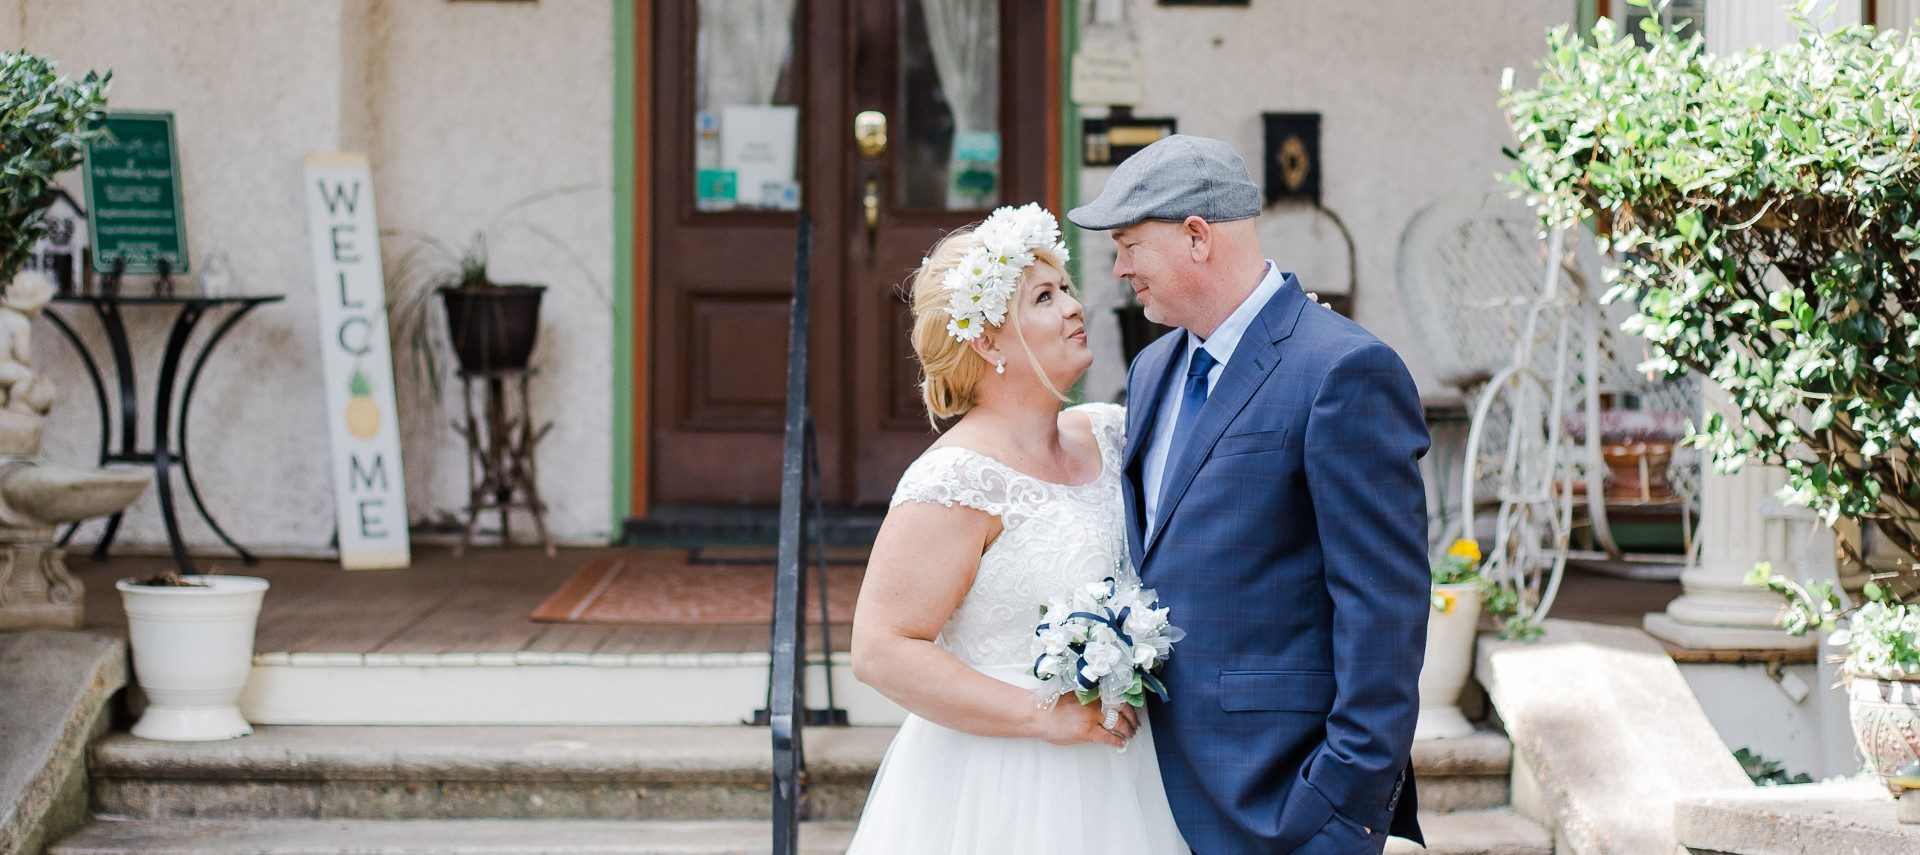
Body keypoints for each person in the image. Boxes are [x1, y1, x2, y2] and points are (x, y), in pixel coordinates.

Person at [1067, 134, 1430, 855]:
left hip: (1285, 804)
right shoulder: (1150, 370)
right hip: (1154, 790)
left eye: (1131, 244)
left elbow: (1384, 611)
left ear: (1197, 236)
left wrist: (1338, 807)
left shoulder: (1343, 370)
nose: (1119, 268)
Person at [847, 203, 1189, 854]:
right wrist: (1044, 715)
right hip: (999, 785)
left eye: (1064, 287)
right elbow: (881, 648)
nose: (1073, 306)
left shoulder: (1111, 432)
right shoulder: (953, 481)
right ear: (986, 340)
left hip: (1127, 774)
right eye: (1043, 296)